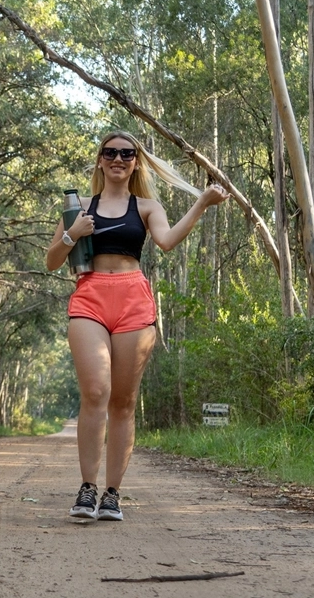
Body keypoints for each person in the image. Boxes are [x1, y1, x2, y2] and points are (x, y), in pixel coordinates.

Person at [45, 132, 228, 521]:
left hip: (132, 299)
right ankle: (86, 488)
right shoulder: (78, 208)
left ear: (136, 162)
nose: (118, 159)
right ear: (99, 160)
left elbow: (167, 241)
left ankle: (112, 493)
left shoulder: (146, 206)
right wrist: (72, 233)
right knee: (95, 391)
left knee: (123, 402)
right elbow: (51, 261)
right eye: (110, 152)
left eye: (127, 154)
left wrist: (202, 204)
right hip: (90, 295)